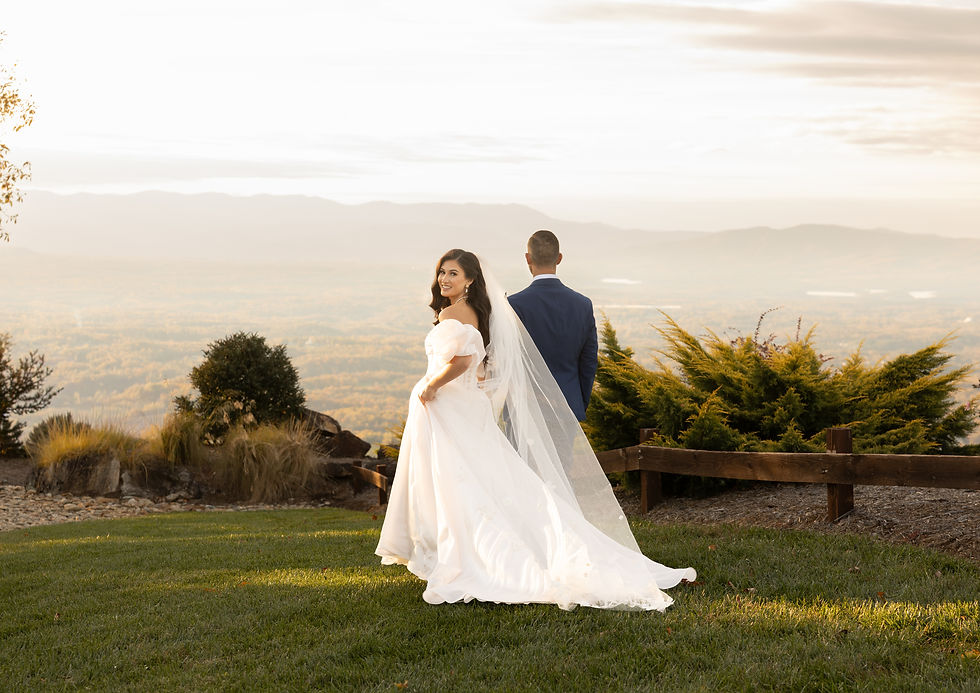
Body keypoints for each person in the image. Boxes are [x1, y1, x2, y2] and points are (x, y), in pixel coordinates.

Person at [375, 249, 695, 611]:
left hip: (449, 405)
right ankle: (466, 545)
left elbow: (464, 360)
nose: (445, 280)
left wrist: (432, 385)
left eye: (453, 273)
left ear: (470, 280)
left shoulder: (451, 313)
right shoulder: (479, 313)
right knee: (479, 475)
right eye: (442, 273)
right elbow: (480, 362)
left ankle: (468, 553)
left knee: (458, 476)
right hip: (462, 406)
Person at [507, 230, 597, 421]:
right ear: (559, 258)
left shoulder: (514, 305)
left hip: (525, 409)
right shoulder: (583, 305)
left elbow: (507, 360)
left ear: (527, 258)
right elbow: (588, 363)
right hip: (567, 409)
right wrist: (578, 404)